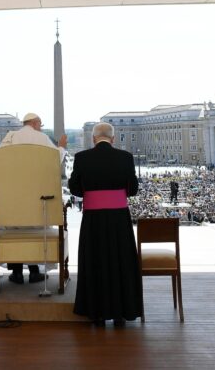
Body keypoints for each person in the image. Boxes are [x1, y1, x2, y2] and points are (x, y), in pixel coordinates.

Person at [68, 122, 143, 326]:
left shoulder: (82, 158)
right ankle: (121, 313)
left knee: (95, 260)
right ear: (113, 138)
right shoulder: (125, 158)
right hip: (119, 218)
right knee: (120, 261)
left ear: (93, 139)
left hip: (93, 219)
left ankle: (96, 313)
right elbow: (133, 189)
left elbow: (74, 188)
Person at [0, 112, 68, 284]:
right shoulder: (41, 138)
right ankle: (34, 271)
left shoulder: (10, 138)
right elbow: (54, 160)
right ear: (35, 123)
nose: (40, 127)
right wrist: (61, 147)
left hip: (14, 195)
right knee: (35, 231)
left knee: (15, 231)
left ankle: (16, 273)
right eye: (40, 124)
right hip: (36, 194)